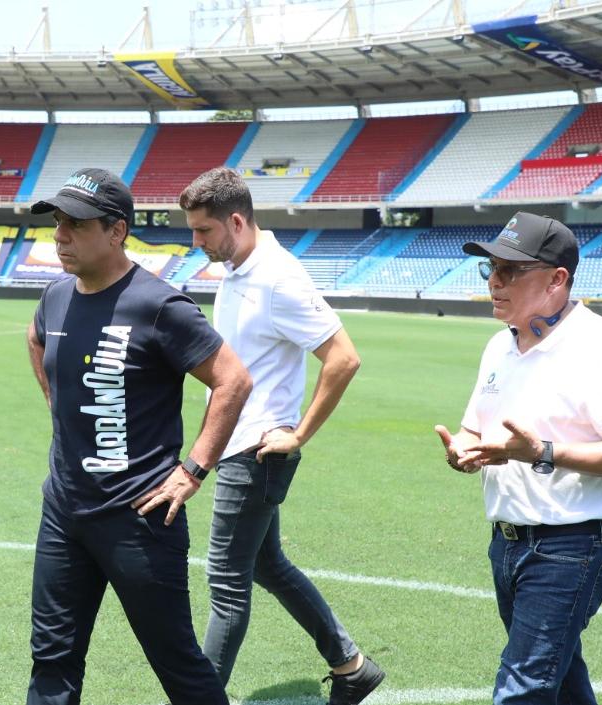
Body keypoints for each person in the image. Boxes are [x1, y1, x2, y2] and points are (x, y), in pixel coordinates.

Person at [24, 168, 252, 705]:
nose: (60, 235)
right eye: (57, 223)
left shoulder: (158, 305)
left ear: (116, 230)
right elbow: (37, 341)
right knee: (51, 662)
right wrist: (61, 410)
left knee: (177, 665)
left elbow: (233, 380)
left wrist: (192, 470)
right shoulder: (55, 296)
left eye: (75, 224)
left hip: (140, 518)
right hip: (64, 513)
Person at [433, 212, 602, 705]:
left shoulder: (599, 346)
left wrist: (542, 452)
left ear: (558, 279)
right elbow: (477, 427)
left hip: (571, 544)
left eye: (510, 271)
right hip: (508, 541)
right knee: (562, 684)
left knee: (523, 689)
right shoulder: (500, 345)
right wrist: (467, 449)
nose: (495, 281)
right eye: (490, 269)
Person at [179, 167, 384, 703]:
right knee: (268, 564)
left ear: (237, 221)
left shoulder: (278, 278)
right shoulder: (239, 267)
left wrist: (299, 435)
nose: (194, 242)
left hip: (257, 451)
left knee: (226, 583)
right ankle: (351, 666)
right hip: (238, 444)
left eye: (202, 231)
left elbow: (343, 358)